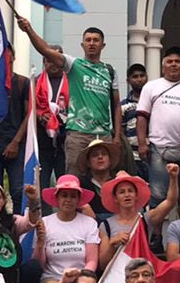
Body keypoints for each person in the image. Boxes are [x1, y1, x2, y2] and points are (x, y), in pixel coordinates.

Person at [19, 16, 121, 179]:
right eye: (88, 40)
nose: (92, 43)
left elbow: (116, 105)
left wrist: (116, 136)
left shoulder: (110, 71)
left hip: (103, 134)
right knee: (73, 180)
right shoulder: (74, 65)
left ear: (103, 45)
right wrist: (29, 30)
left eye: (96, 40)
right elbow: (46, 50)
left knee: (103, 178)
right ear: (82, 45)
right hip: (78, 134)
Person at [136, 45, 180, 196]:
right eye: (169, 61)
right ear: (163, 67)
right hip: (158, 148)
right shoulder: (151, 87)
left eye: (178, 61)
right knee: (158, 195)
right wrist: (142, 143)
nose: (173, 64)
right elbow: (142, 116)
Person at [98, 167, 179, 269]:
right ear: (115, 198)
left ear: (136, 195)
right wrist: (112, 244)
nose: (127, 195)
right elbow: (102, 264)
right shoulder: (106, 226)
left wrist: (173, 178)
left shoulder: (146, 219)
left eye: (130, 191)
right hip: (117, 276)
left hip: (142, 274)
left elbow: (170, 202)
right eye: (122, 192)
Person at [38, 174, 100, 283]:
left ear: (78, 200)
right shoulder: (45, 223)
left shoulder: (89, 223)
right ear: (57, 198)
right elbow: (41, 264)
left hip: (81, 277)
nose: (68, 200)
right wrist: (40, 245)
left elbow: (92, 260)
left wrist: (81, 277)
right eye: (64, 195)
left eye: (73, 196)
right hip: (53, 278)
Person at [0, 67, 32, 204]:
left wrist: (16, 141)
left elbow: (29, 115)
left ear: (12, 58)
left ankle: (17, 224)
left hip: (16, 144)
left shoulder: (22, 82)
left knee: (18, 191)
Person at [33, 44, 70, 185]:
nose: (53, 63)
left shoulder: (73, 81)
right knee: (42, 183)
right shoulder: (35, 82)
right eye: (49, 59)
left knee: (65, 182)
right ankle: (44, 208)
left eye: (57, 59)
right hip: (43, 140)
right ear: (44, 63)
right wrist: (40, 116)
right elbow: (29, 109)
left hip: (65, 140)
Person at [80, 138, 121, 221]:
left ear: (110, 160)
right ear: (88, 162)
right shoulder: (81, 183)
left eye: (104, 154)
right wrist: (83, 206)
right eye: (95, 155)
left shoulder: (119, 181)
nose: (100, 157)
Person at [121, 63, 147, 147]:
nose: (139, 79)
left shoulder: (154, 102)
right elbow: (121, 132)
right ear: (128, 81)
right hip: (132, 153)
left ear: (146, 78)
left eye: (142, 76)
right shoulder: (123, 105)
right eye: (135, 77)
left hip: (153, 152)